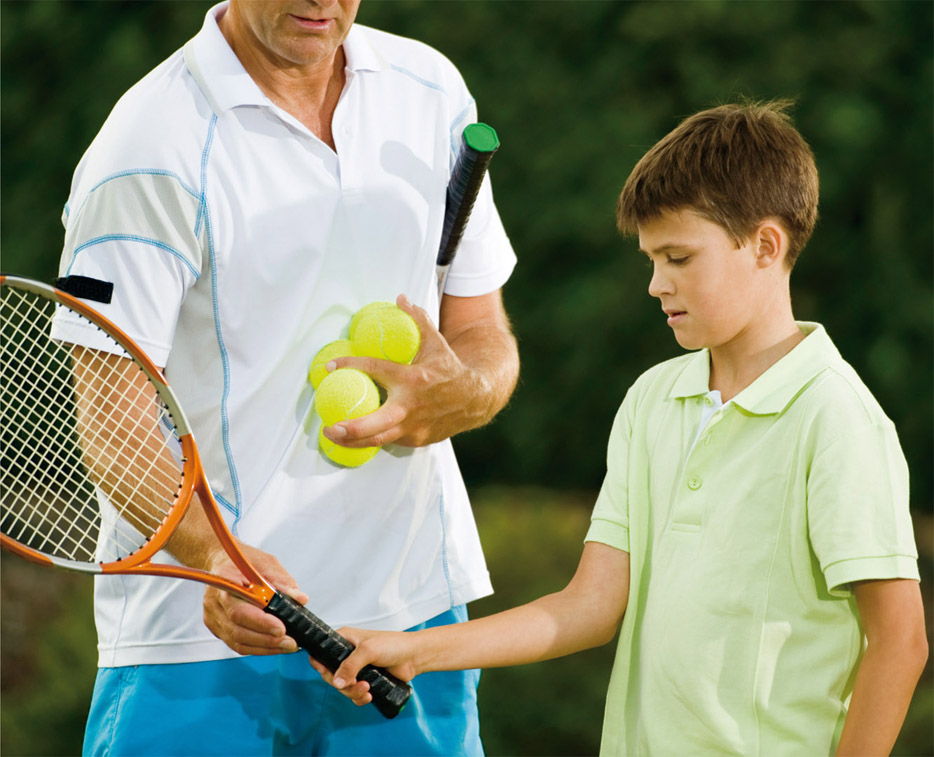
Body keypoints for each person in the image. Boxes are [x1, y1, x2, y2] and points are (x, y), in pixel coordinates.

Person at [318, 101, 928, 756]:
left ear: (765, 245)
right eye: (651, 260)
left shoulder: (837, 418)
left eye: (679, 257)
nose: (657, 283)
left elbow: (900, 638)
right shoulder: (652, 401)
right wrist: (416, 649)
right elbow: (589, 605)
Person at [54, 1, 519, 755]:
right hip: (200, 648)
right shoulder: (146, 144)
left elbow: (481, 329)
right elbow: (112, 415)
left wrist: (467, 392)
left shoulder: (432, 92)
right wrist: (213, 556)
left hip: (411, 623)